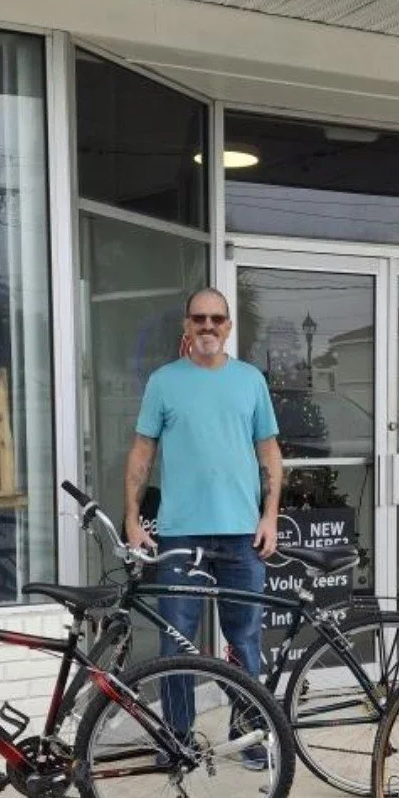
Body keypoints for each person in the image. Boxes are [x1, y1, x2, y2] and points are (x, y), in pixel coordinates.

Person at [123, 287, 282, 767]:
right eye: (199, 319)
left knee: (245, 639)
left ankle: (249, 734)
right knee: (176, 642)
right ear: (186, 327)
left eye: (217, 319)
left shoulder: (250, 381)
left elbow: (269, 453)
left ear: (229, 327)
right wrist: (132, 518)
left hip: (242, 534)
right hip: (180, 534)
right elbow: (141, 453)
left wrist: (271, 515)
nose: (208, 326)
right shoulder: (164, 382)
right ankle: (175, 739)